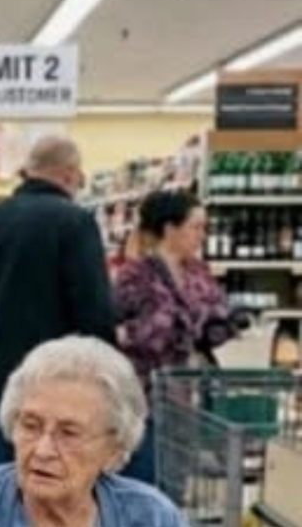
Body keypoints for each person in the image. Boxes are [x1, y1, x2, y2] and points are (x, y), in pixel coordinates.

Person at [0, 135, 117, 469]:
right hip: (57, 386)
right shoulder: (74, 223)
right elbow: (94, 311)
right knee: (53, 482)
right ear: (68, 174)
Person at [0, 335, 189, 527]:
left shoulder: (151, 517)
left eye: (69, 433)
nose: (42, 451)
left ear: (114, 449)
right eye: (30, 426)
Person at [112, 190, 243, 484]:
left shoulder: (198, 272)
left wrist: (228, 323)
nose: (202, 235)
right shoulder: (135, 274)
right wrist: (174, 326)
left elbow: (210, 326)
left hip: (187, 395)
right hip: (143, 396)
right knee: (145, 474)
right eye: (196, 227)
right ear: (170, 228)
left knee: (176, 479)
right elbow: (126, 332)